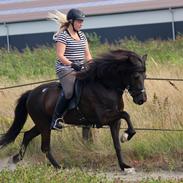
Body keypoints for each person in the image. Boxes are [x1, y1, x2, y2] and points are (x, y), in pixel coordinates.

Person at [49, 9, 92, 130]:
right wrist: (73, 64)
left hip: (80, 67)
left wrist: (92, 65)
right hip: (65, 68)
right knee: (69, 92)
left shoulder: (82, 35)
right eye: (79, 21)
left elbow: (87, 55)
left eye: (82, 22)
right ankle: (55, 119)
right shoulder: (63, 36)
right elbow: (60, 56)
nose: (81, 24)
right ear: (72, 22)